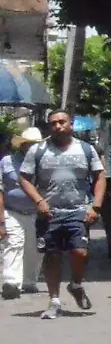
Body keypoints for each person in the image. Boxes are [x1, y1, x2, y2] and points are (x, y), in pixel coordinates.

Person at [18, 111, 106, 319]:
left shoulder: (86, 149)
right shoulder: (38, 150)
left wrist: (96, 206)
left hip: (78, 210)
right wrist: (39, 201)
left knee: (80, 252)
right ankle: (54, 301)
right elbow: (24, 178)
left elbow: (100, 176)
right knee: (52, 255)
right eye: (53, 124)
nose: (58, 126)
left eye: (62, 122)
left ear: (71, 124)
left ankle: (75, 284)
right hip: (50, 213)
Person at [1, 127, 43, 299]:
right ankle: (11, 282)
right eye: (30, 144)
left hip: (37, 213)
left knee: (34, 249)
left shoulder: (44, 162)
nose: (32, 147)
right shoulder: (6, 162)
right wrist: (1, 221)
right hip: (12, 211)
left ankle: (29, 281)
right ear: (22, 144)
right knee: (14, 243)